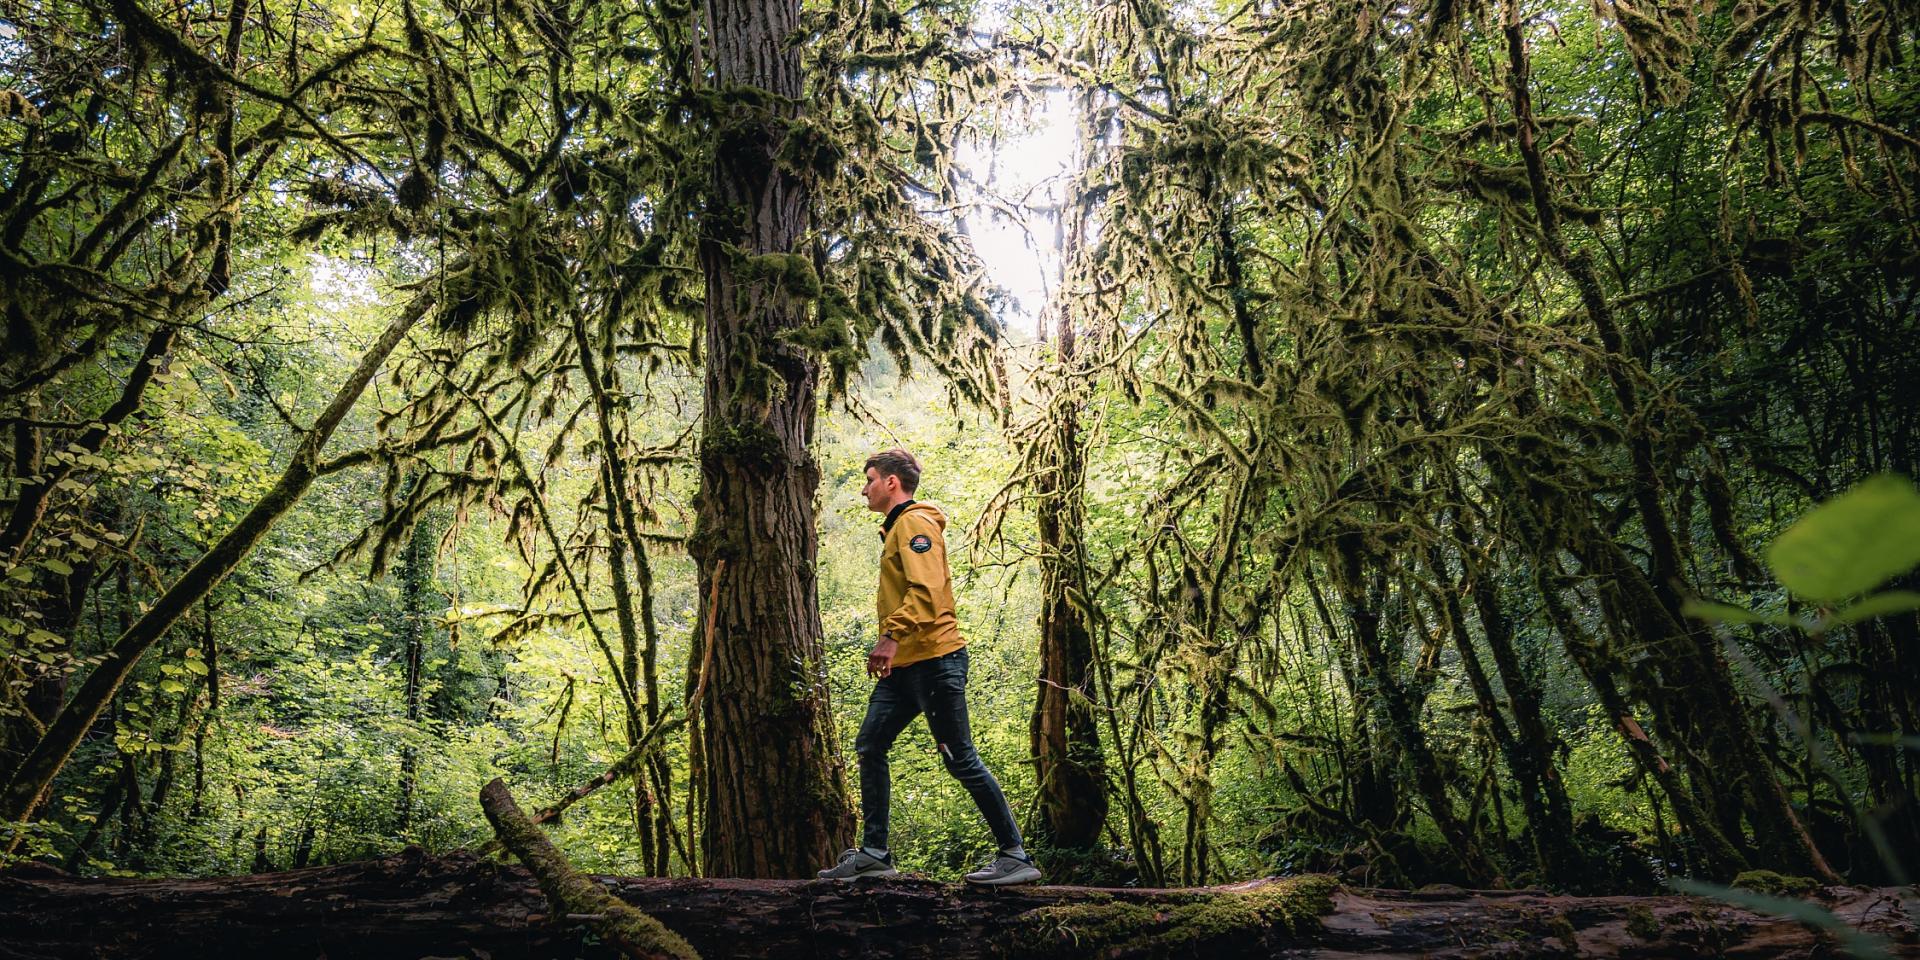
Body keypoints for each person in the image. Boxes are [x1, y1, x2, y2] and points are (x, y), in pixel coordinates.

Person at [817, 448, 1042, 886]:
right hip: (905, 667)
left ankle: (1015, 855)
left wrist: (889, 637)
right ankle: (875, 854)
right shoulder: (897, 528)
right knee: (870, 744)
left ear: (891, 483)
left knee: (960, 758)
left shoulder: (914, 523)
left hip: (935, 661)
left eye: (869, 479)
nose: (864, 488)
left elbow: (927, 592)